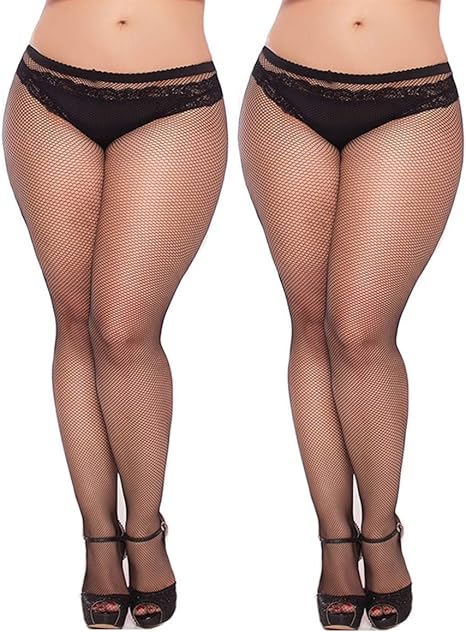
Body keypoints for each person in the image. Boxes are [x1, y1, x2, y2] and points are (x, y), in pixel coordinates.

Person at [2, 0, 227, 628]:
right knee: (74, 321)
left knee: (125, 331)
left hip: (174, 99)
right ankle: (99, 537)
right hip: (49, 90)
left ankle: (145, 528)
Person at [238, 0, 463, 629]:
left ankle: (381, 529)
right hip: (284, 94)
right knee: (311, 323)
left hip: (410, 99)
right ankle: (335, 538)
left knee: (361, 332)